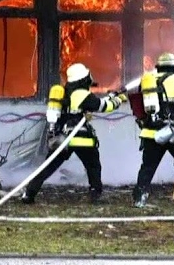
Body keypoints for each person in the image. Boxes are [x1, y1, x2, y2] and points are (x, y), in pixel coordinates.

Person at [20, 63, 125, 205]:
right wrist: (118, 100)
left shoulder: (66, 92)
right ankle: (95, 195)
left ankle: (29, 193)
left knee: (47, 167)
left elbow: (93, 102)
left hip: (63, 139)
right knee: (93, 167)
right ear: (84, 78)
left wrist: (112, 95)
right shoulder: (81, 93)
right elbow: (102, 106)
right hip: (81, 139)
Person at [132, 52, 174, 208]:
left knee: (147, 167)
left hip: (151, 133)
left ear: (158, 67)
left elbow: (140, 107)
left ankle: (140, 197)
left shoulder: (147, 81)